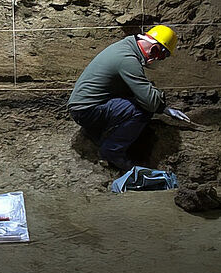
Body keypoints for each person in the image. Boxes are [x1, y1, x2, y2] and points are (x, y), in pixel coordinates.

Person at [67, 25, 190, 170]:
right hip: (87, 111)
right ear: (156, 50)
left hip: (84, 106)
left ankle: (96, 134)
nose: (160, 60)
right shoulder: (128, 59)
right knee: (142, 111)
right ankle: (112, 152)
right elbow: (150, 102)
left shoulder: (125, 47)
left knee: (138, 97)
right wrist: (161, 104)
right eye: (163, 56)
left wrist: (164, 107)